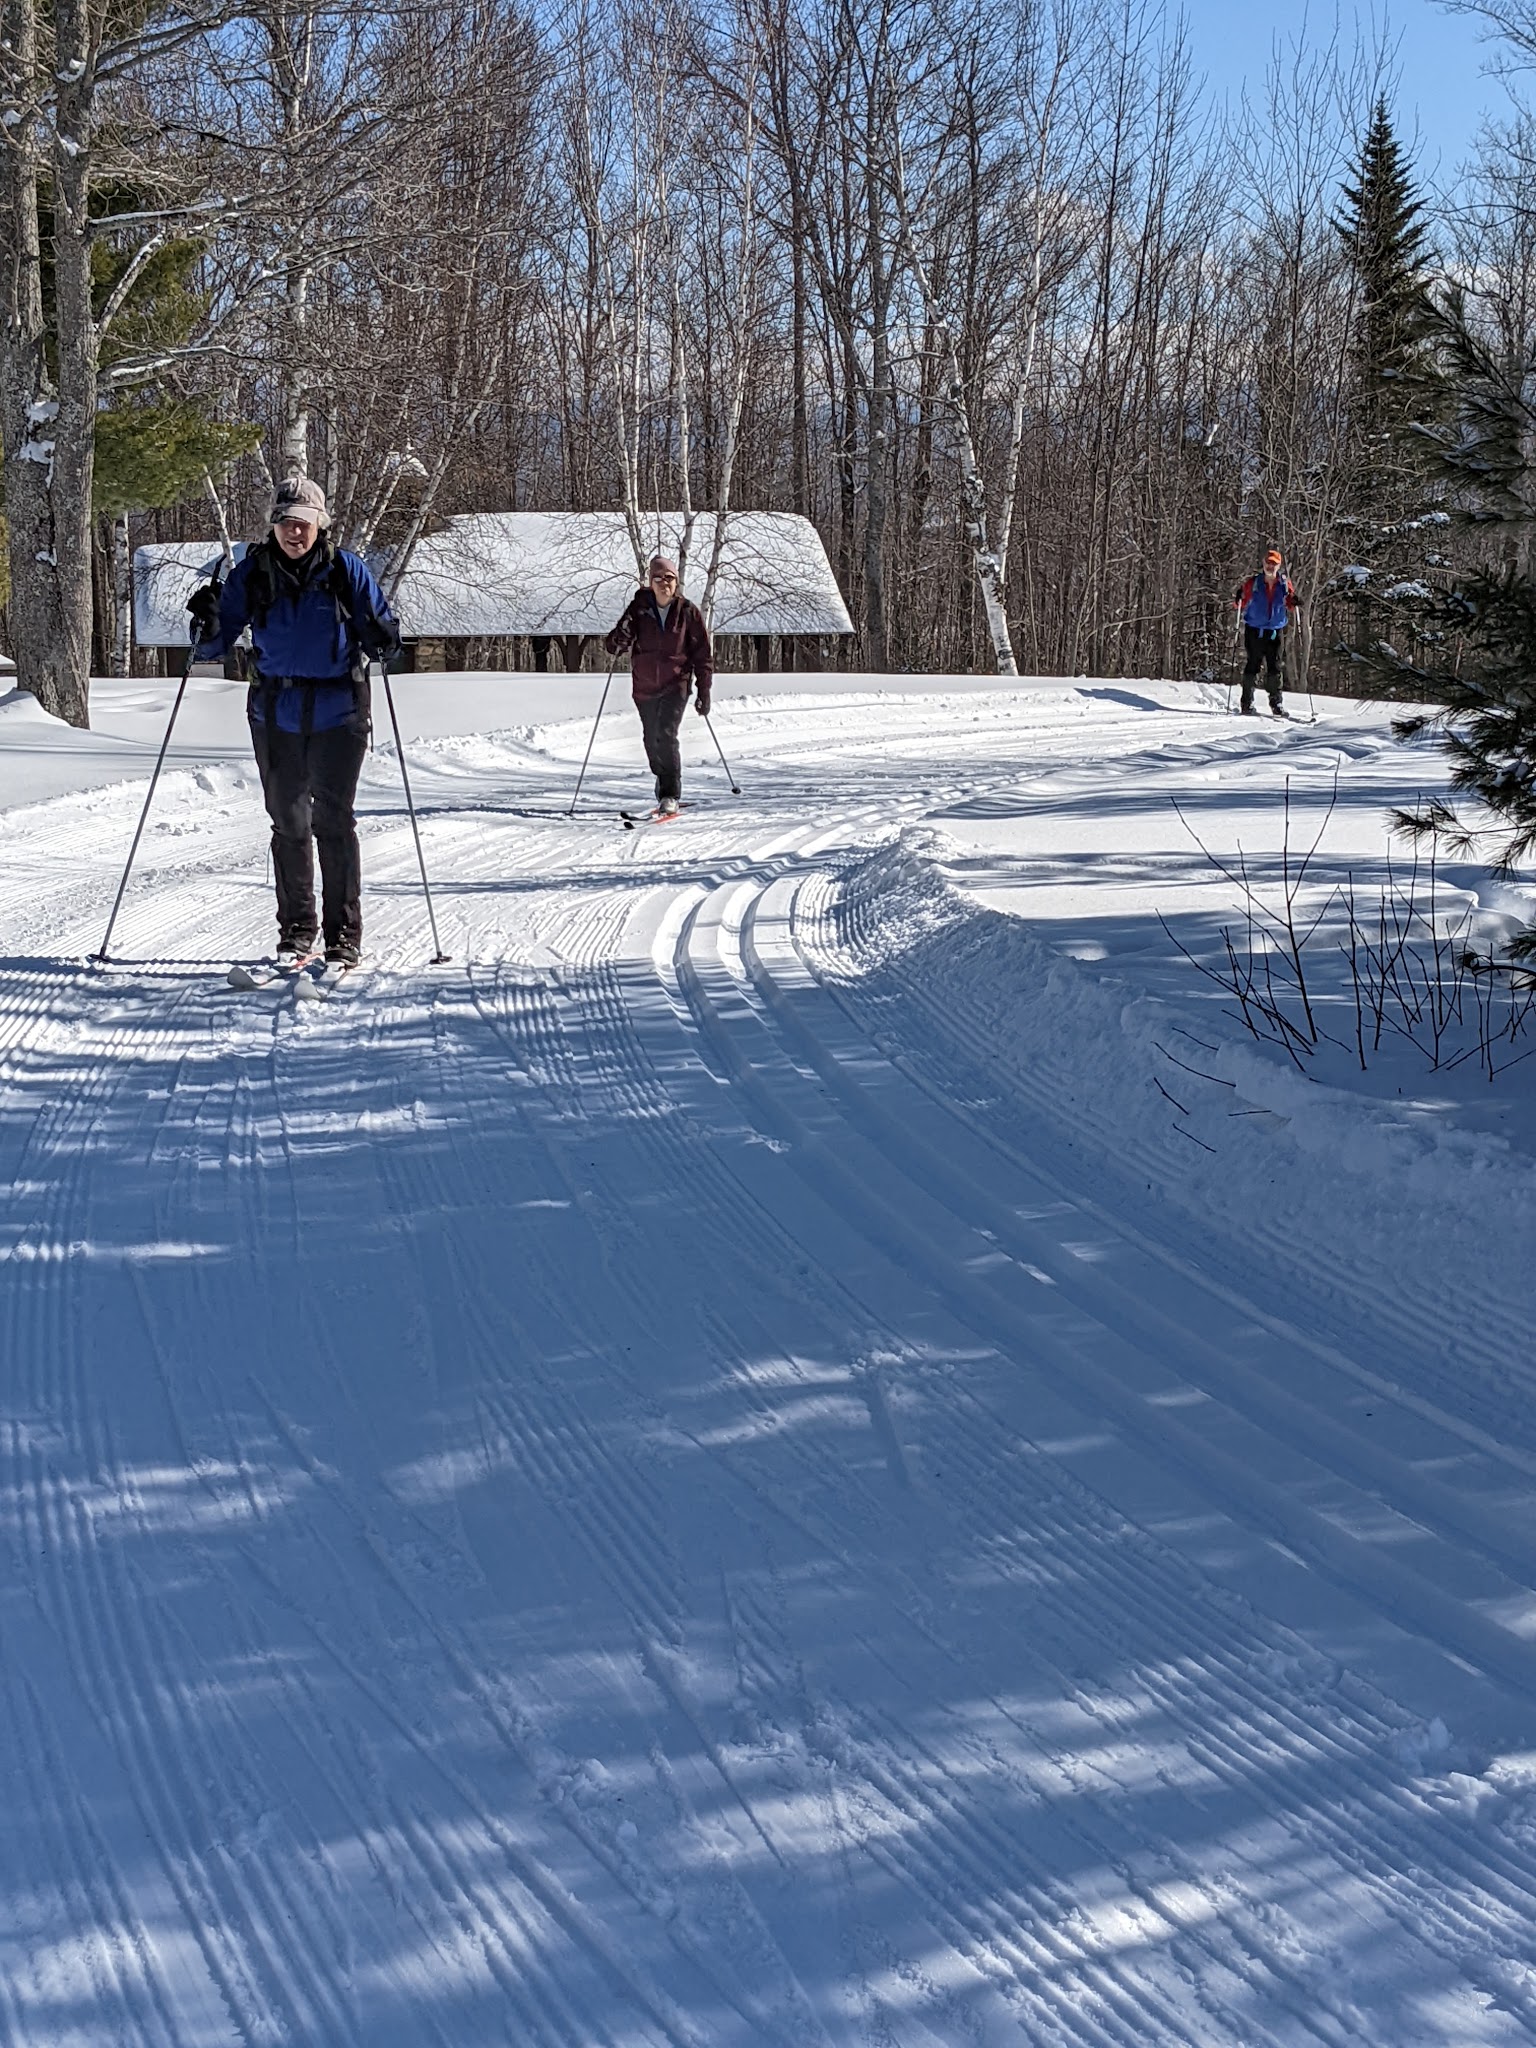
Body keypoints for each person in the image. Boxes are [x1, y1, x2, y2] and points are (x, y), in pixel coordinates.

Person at [187, 476, 400, 965]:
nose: (294, 533)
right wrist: (207, 622)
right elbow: (211, 647)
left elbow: (383, 634)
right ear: (274, 526)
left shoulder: (347, 570)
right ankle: (296, 933)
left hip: (339, 711)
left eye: (302, 523)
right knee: (288, 822)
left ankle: (343, 935)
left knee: (333, 819)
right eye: (285, 522)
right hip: (273, 712)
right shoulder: (251, 573)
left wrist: (383, 635)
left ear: (319, 525)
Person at [603, 554, 713, 818]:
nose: (664, 583)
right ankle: (662, 777)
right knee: (651, 739)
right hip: (644, 685)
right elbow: (613, 645)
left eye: (670, 578)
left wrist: (704, 691)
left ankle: (670, 793)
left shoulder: (688, 612)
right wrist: (622, 635)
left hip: (677, 684)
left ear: (676, 583)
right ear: (650, 582)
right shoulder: (639, 608)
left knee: (666, 734)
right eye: (659, 578)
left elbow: (702, 655)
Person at [1233, 548, 1300, 716]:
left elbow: (1290, 604)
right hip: (1254, 629)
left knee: (1275, 667)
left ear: (1279, 566)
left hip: (1274, 631)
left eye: (1274, 564)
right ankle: (1246, 703)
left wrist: (1295, 601)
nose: (1270, 566)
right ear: (1263, 563)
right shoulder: (1254, 582)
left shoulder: (1284, 584)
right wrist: (1239, 597)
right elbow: (1239, 603)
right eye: (1268, 563)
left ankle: (1276, 704)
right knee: (1253, 664)